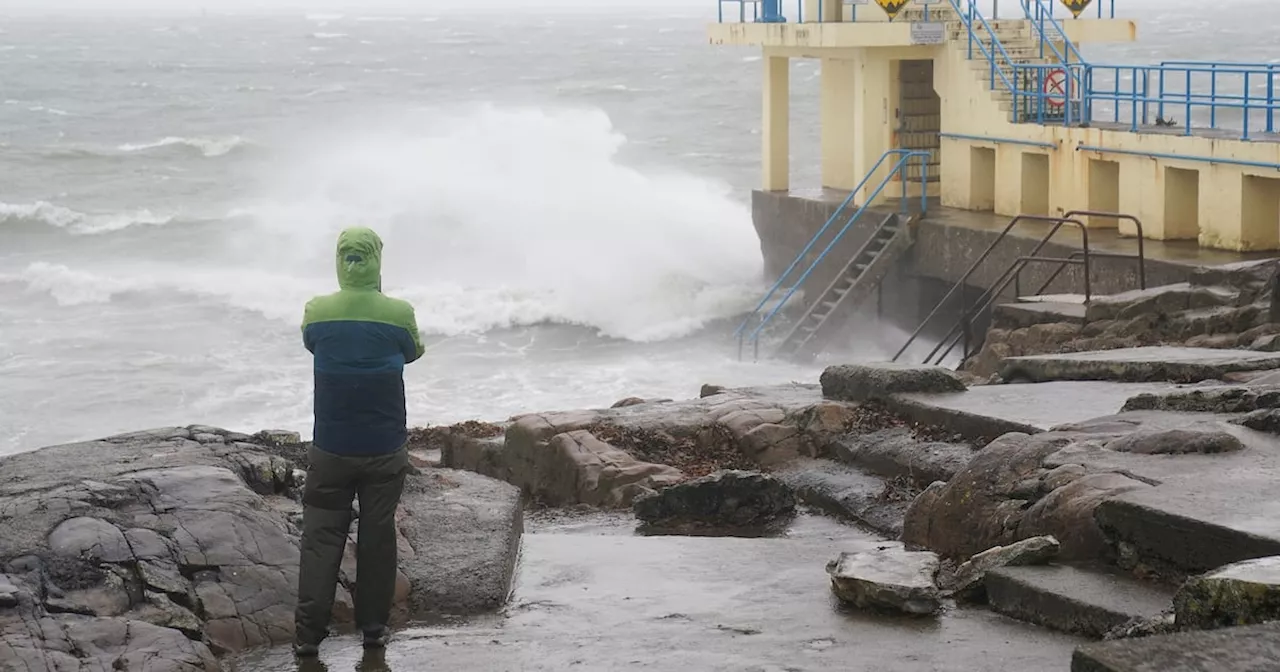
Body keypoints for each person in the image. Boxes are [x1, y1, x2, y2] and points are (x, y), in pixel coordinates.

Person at [294, 226, 425, 658]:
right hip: (385, 448)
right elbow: (413, 351)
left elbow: (313, 344)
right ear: (377, 260)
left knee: (320, 538)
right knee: (377, 537)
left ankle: (308, 638)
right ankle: (373, 630)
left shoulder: (317, 310)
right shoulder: (399, 312)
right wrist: (378, 298)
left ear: (339, 260)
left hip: (330, 446)